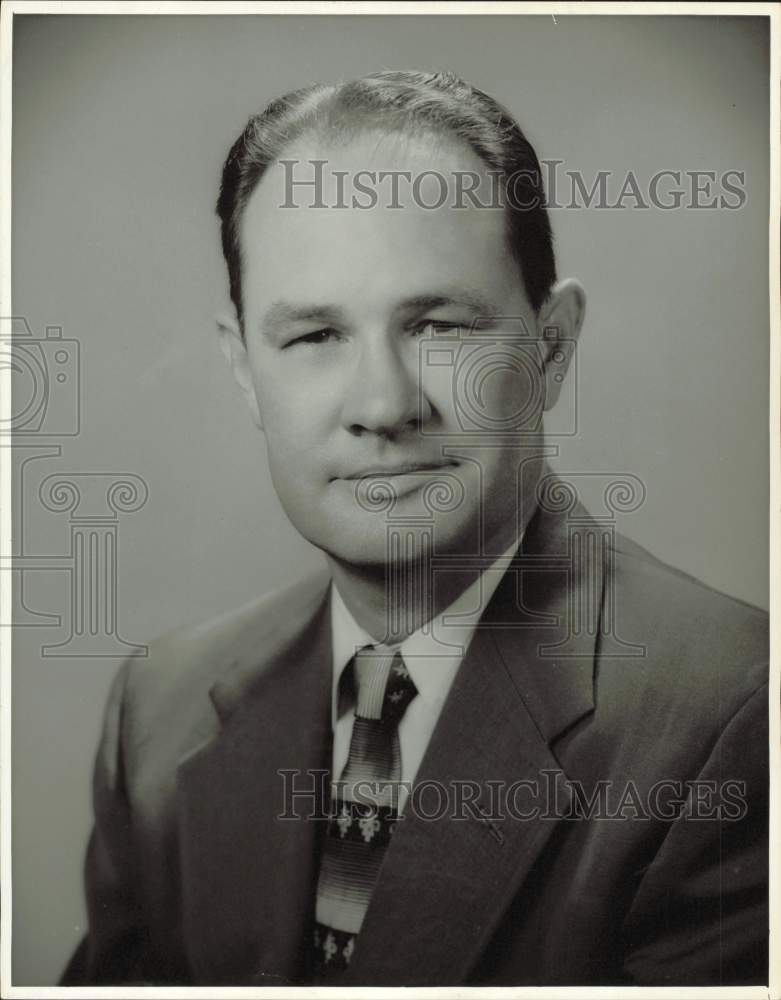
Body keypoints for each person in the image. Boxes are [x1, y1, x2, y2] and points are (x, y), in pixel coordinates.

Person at [61, 70, 768, 987]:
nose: (384, 404)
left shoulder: (737, 722)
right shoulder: (157, 716)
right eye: (314, 337)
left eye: (437, 324)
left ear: (548, 348)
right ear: (244, 372)